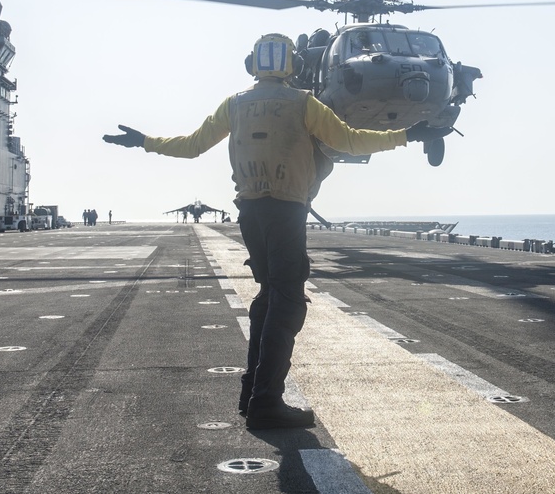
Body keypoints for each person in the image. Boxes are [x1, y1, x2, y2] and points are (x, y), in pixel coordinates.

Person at [103, 33, 452, 429]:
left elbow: (192, 145)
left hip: (250, 212)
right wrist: (409, 135)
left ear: (252, 64)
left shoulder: (234, 104)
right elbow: (352, 142)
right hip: (286, 211)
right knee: (287, 303)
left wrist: (144, 141)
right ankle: (266, 401)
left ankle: (252, 391)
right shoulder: (304, 103)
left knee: (269, 298)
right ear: (293, 67)